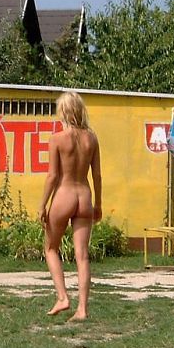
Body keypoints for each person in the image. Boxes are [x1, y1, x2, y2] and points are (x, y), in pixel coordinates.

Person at [38, 91, 102, 321]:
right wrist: (99, 203)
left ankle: (63, 297)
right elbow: (97, 175)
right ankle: (82, 309)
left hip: (64, 195)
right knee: (82, 255)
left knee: (51, 248)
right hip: (84, 196)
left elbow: (53, 176)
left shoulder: (57, 139)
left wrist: (42, 205)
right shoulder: (91, 139)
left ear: (63, 111)